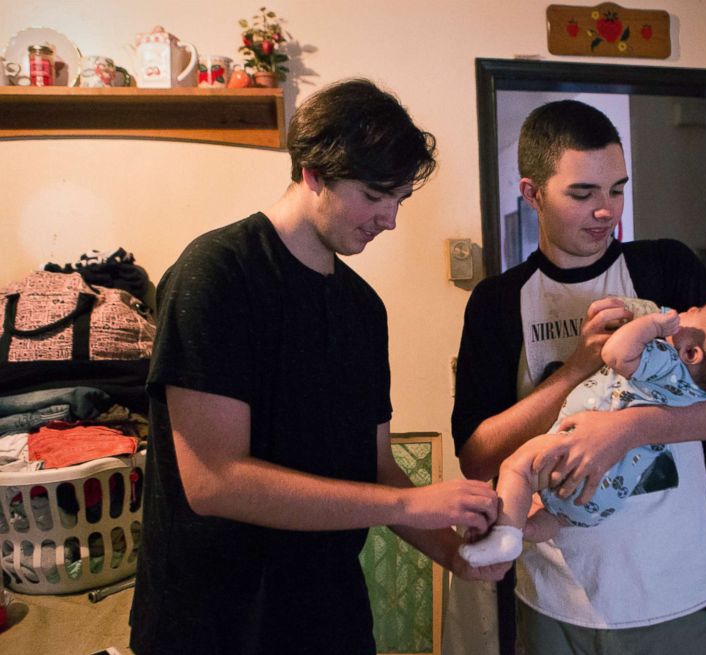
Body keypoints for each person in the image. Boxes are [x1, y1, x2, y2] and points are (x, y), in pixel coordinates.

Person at [130, 78, 505, 655]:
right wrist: (412, 502)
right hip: (216, 622)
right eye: (377, 195)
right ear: (313, 172)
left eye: (400, 199)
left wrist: (455, 552)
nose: (390, 220)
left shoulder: (362, 308)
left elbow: (376, 466)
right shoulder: (217, 275)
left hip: (330, 615)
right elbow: (213, 481)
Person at [452, 100, 706, 654]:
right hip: (554, 602)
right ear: (531, 192)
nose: (606, 211)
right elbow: (477, 457)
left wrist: (630, 430)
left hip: (681, 594)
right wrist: (576, 371)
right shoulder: (497, 303)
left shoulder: (665, 267)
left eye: (617, 189)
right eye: (583, 193)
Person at [459, 297, 706, 567]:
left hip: (572, 448)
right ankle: (521, 529)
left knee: (516, 468)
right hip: (605, 498)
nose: (689, 308)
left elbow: (615, 353)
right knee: (553, 519)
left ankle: (507, 532)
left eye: (696, 313)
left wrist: (653, 325)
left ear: (692, 354)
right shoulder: (701, 393)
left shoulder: (665, 361)